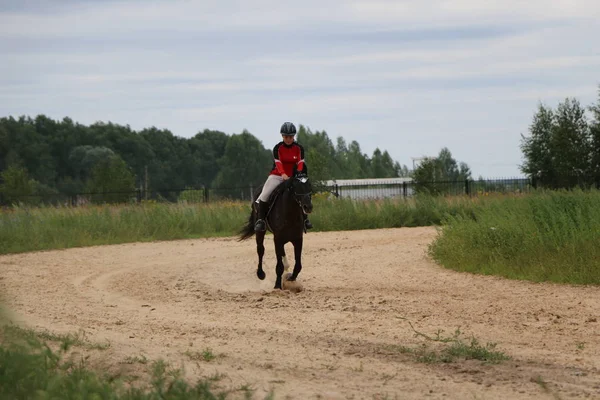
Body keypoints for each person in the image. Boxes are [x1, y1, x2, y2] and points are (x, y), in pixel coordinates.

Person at [254, 122, 312, 232]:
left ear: (293, 136)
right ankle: (261, 220)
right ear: (282, 136)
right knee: (265, 195)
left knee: (303, 193)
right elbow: (278, 163)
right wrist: (283, 174)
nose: (288, 139)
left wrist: (298, 174)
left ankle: (305, 219)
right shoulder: (277, 148)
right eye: (286, 136)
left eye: (290, 136)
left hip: (294, 176)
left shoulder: (299, 148)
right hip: (277, 175)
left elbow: (300, 163)